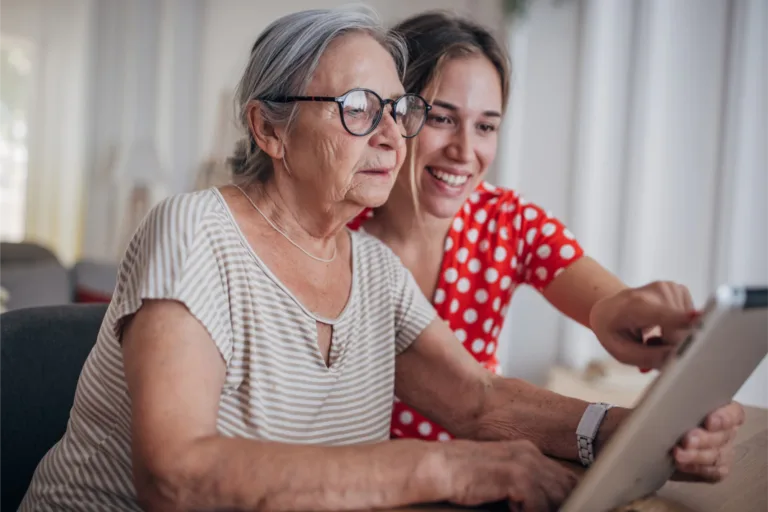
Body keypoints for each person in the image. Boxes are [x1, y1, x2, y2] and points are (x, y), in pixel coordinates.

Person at [20, 7, 743, 512]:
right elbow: (175, 478)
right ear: (269, 128)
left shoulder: (372, 272)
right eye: (360, 108)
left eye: (399, 112)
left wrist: (631, 435)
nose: (393, 137)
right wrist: (437, 467)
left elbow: (479, 401)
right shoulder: (194, 230)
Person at [349, 11, 705, 443]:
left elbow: (610, 304)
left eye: (485, 126)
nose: (465, 151)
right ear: (391, 114)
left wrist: (642, 315)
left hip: (482, 477)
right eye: (441, 118)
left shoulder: (506, 221)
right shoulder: (336, 226)